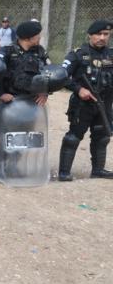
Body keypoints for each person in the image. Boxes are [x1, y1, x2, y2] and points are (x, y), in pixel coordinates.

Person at [57, 20, 113, 181]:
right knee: (73, 137)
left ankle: (98, 170)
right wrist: (78, 89)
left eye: (106, 34)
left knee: (102, 137)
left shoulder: (111, 54)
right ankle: (64, 173)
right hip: (83, 105)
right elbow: (61, 75)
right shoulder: (78, 54)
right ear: (90, 35)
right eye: (98, 34)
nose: (102, 38)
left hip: (104, 104)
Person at [0, 20, 50, 107]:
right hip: (10, 103)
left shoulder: (40, 51)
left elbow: (49, 73)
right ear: (27, 38)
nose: (40, 37)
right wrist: (1, 93)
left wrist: (45, 92)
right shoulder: (7, 51)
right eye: (37, 34)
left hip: (34, 103)